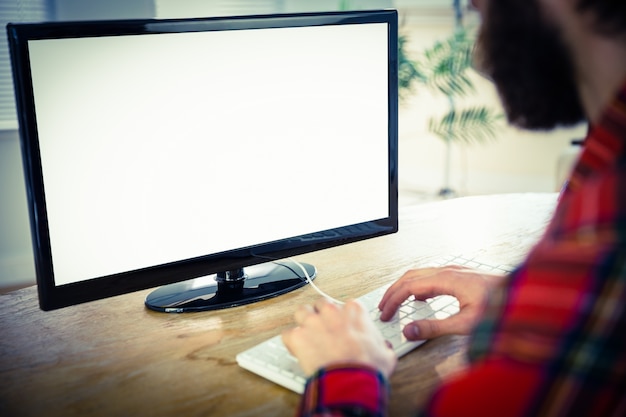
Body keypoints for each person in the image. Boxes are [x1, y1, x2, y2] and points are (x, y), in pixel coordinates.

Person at [281, 0, 626, 415]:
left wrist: (345, 374)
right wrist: (518, 302)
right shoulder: (606, 166)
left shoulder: (604, 243)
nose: (470, 5)